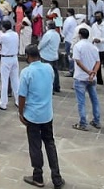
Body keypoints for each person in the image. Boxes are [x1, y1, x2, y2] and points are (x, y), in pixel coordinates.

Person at [18, 44, 65, 189]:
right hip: (46, 113)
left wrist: (20, 112)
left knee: (35, 145)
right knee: (50, 143)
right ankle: (56, 177)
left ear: (28, 56)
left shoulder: (27, 72)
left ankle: (38, 176)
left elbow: (22, 96)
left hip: (33, 115)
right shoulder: (48, 68)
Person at [71, 27, 101, 131]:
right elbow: (98, 62)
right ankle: (96, 120)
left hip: (80, 77)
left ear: (80, 35)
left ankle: (83, 122)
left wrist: (89, 72)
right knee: (94, 99)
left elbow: (78, 62)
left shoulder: (77, 46)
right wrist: (93, 73)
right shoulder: (93, 47)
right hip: (92, 78)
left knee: (81, 101)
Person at [0, 20, 21, 111]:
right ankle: (18, 100)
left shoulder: (3, 36)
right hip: (14, 58)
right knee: (16, 80)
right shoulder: (15, 34)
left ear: (3, 27)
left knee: (4, 81)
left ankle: (3, 103)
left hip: (6, 58)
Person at [89, 11, 104, 90]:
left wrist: (101, 40)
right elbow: (91, 36)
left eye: (99, 16)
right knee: (97, 66)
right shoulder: (93, 26)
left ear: (102, 17)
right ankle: (99, 81)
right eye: (96, 16)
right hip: (96, 49)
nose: (97, 18)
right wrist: (94, 39)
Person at [38, 21, 61, 93]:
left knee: (47, 73)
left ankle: (49, 88)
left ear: (48, 26)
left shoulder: (48, 34)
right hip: (54, 55)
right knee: (55, 72)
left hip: (46, 56)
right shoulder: (57, 34)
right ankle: (56, 87)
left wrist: (37, 49)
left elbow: (42, 44)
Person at [60, 9, 77, 76]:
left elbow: (65, 30)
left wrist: (62, 36)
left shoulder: (68, 20)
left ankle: (71, 70)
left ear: (69, 13)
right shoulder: (74, 20)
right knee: (72, 55)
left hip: (68, 39)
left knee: (70, 56)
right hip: (73, 39)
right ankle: (73, 70)